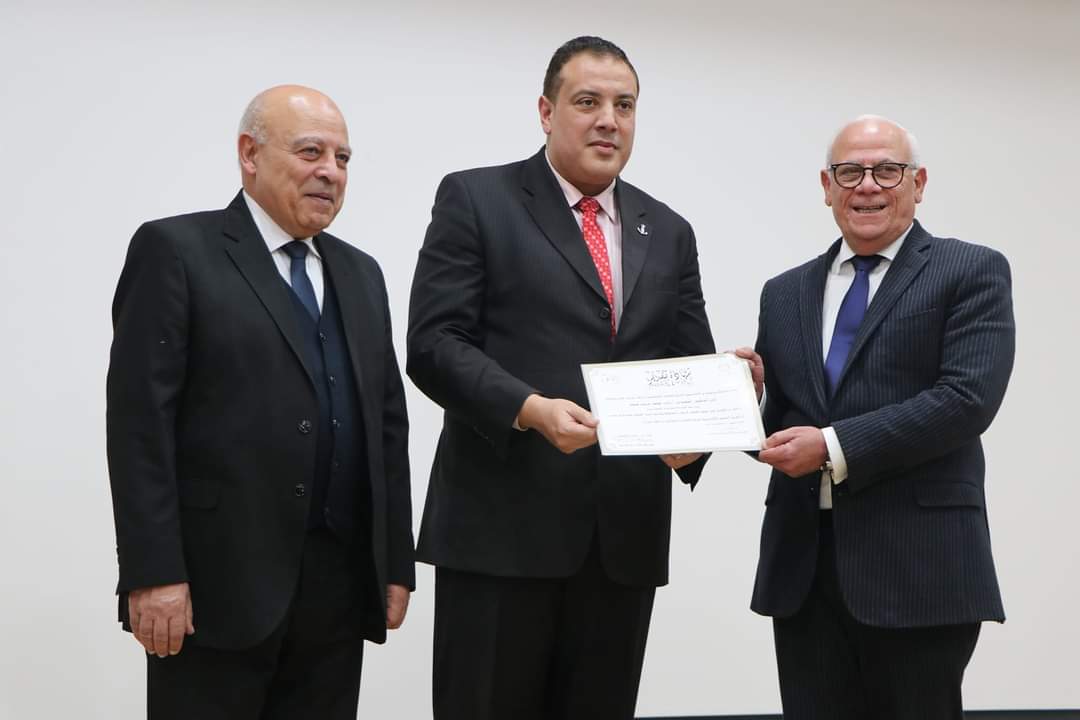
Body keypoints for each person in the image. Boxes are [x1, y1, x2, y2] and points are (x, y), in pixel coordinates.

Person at [407, 35, 744, 720]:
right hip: (500, 535)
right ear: (546, 111)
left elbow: (687, 363)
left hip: (622, 545)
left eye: (625, 105)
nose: (608, 121)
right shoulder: (477, 198)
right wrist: (529, 408)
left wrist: (710, 421)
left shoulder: (669, 230)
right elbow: (434, 344)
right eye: (587, 102)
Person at [106, 85, 414, 719]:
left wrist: (393, 561)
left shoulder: (362, 274)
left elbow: (387, 426)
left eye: (343, 158)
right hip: (214, 587)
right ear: (250, 154)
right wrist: (152, 571)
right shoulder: (177, 251)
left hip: (335, 591)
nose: (331, 171)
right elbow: (140, 426)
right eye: (310, 152)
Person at [751, 115, 1015, 719]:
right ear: (827, 187)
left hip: (918, 567)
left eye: (887, 171)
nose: (867, 185)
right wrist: (747, 400)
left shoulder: (970, 270)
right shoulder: (783, 292)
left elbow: (966, 399)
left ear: (918, 183)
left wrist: (832, 445)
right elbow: (782, 428)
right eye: (849, 172)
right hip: (804, 572)